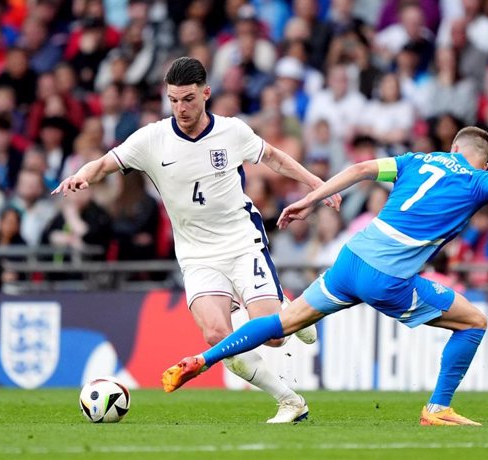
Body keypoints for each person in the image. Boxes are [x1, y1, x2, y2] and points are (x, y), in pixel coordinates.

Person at [162, 127, 488, 426]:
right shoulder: (479, 180)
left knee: (284, 321)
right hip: (388, 277)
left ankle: (205, 359)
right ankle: (437, 407)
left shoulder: (417, 160)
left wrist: (310, 199)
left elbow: (360, 170)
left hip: (349, 260)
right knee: (473, 321)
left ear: (453, 148)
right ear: (480, 158)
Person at [52, 57, 341, 424]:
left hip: (241, 242)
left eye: (188, 99)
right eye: (173, 100)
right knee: (216, 335)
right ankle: (289, 401)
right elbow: (106, 162)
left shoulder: (232, 132)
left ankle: (287, 306)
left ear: (205, 94)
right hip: (196, 254)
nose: (180, 108)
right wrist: (81, 174)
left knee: (274, 337)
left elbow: (274, 159)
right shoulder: (152, 139)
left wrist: (317, 185)